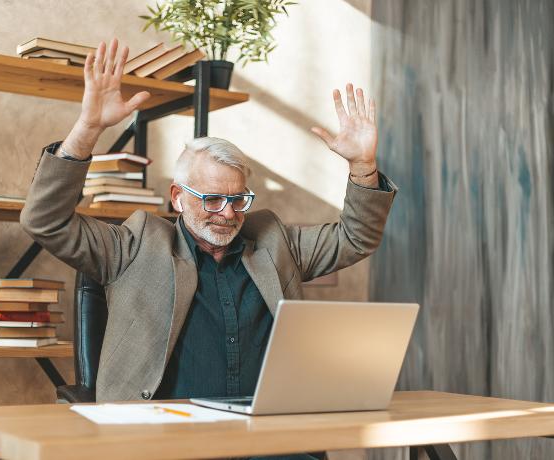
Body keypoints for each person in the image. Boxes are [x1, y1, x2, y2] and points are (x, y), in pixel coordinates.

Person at [20, 39, 396, 458]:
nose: (227, 213)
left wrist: (363, 168)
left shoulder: (272, 240)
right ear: (178, 197)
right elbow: (44, 221)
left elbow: (356, 236)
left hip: (268, 438)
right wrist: (87, 130)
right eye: (212, 199)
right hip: (167, 441)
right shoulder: (135, 243)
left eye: (238, 199)